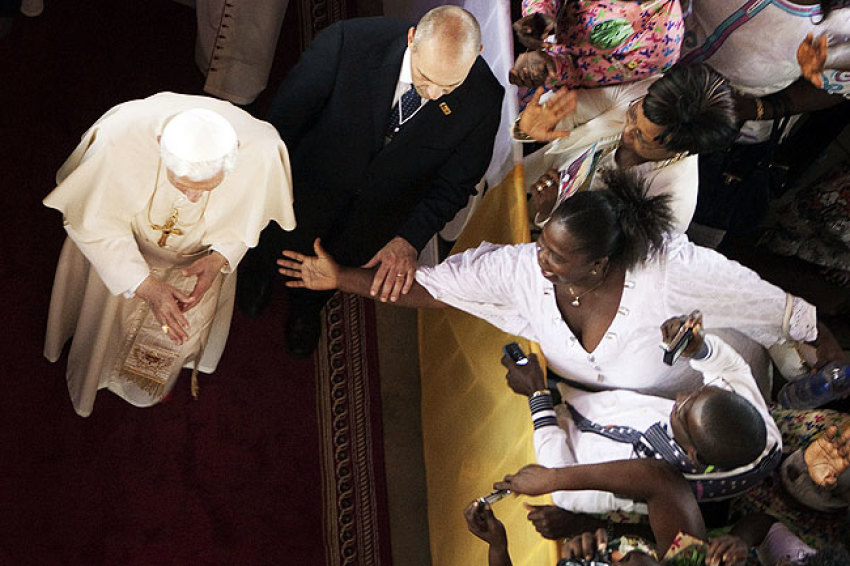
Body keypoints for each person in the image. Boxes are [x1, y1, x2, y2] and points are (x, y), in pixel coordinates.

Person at [278, 169, 842, 399]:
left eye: (557, 258)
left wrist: (828, 384)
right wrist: (341, 279)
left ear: (600, 266)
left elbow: (792, 313)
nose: (540, 259)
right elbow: (434, 287)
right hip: (622, 411)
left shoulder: (675, 267)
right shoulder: (522, 267)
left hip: (717, 395)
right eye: (544, 243)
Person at [237, 6, 504, 357]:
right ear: (412, 38)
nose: (435, 94)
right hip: (305, 187)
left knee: (333, 269)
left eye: (449, 85)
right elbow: (285, 122)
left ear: (477, 55)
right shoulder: (348, 43)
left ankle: (307, 307)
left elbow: (455, 184)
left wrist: (409, 239)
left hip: (375, 220)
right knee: (274, 244)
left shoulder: (484, 99)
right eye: (425, 78)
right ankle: (259, 276)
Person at [43, 92, 296, 417]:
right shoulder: (119, 138)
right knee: (104, 330)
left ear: (234, 154)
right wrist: (144, 284)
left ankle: (143, 386)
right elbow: (91, 221)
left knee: (176, 339)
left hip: (198, 258)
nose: (192, 197)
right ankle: (99, 373)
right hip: (124, 255)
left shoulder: (262, 150)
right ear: (161, 144)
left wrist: (221, 256)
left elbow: (252, 210)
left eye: (205, 188)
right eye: (181, 184)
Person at [501, 314, 782, 519]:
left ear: (692, 454)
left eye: (681, 412)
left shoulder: (656, 487)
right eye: (697, 393)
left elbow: (565, 489)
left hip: (548, 430)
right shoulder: (763, 436)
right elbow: (730, 369)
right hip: (581, 398)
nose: (681, 397)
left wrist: (538, 398)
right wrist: (699, 350)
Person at [516, 64, 739, 233]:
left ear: (681, 151)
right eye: (633, 115)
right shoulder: (642, 89)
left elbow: (601, 261)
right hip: (516, 183)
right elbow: (569, 114)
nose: (627, 131)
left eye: (642, 138)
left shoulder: (671, 205)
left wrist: (552, 212)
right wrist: (536, 125)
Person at [510, 0, 684, 91]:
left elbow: (582, 74)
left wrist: (548, 66)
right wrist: (537, 15)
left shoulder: (661, 44)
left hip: (544, 82)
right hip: (515, 28)